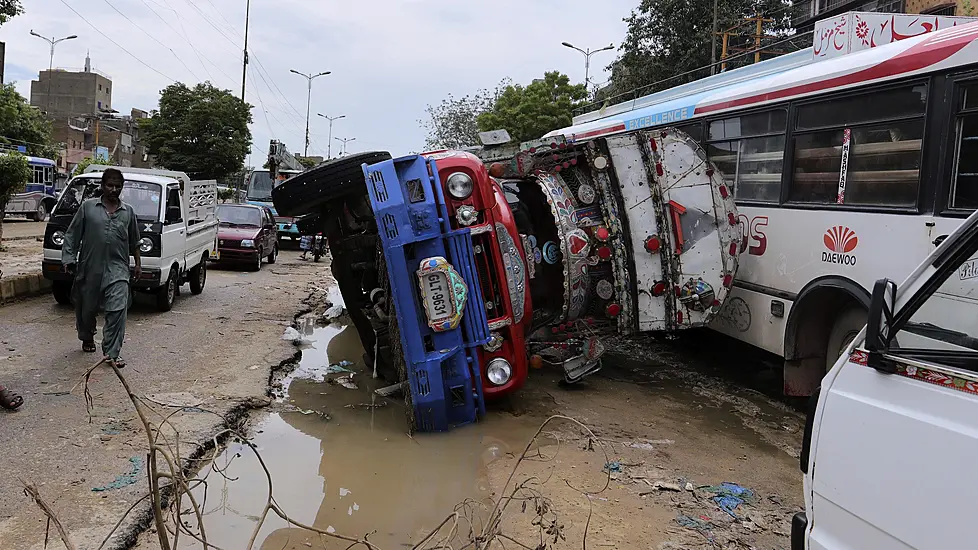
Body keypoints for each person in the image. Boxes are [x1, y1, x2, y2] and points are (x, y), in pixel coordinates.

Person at [62, 168, 142, 368]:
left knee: (117, 309)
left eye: (118, 186)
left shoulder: (128, 212)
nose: (114, 189)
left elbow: (135, 241)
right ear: (102, 186)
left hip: (118, 269)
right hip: (90, 267)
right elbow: (72, 235)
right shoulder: (88, 208)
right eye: (110, 185)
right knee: (86, 309)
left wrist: (138, 264)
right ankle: (87, 336)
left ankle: (112, 353)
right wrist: (68, 258)